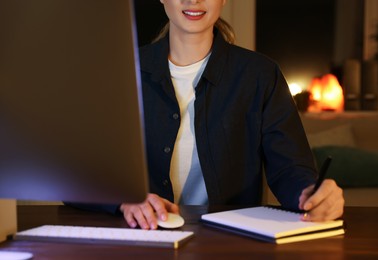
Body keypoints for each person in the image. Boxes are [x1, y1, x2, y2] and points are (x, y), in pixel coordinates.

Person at [117, 0, 344, 230]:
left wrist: (311, 195)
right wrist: (122, 200)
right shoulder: (122, 69)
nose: (194, 0)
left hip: (231, 240)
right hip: (143, 234)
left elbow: (290, 168)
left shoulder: (261, 75)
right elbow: (87, 165)